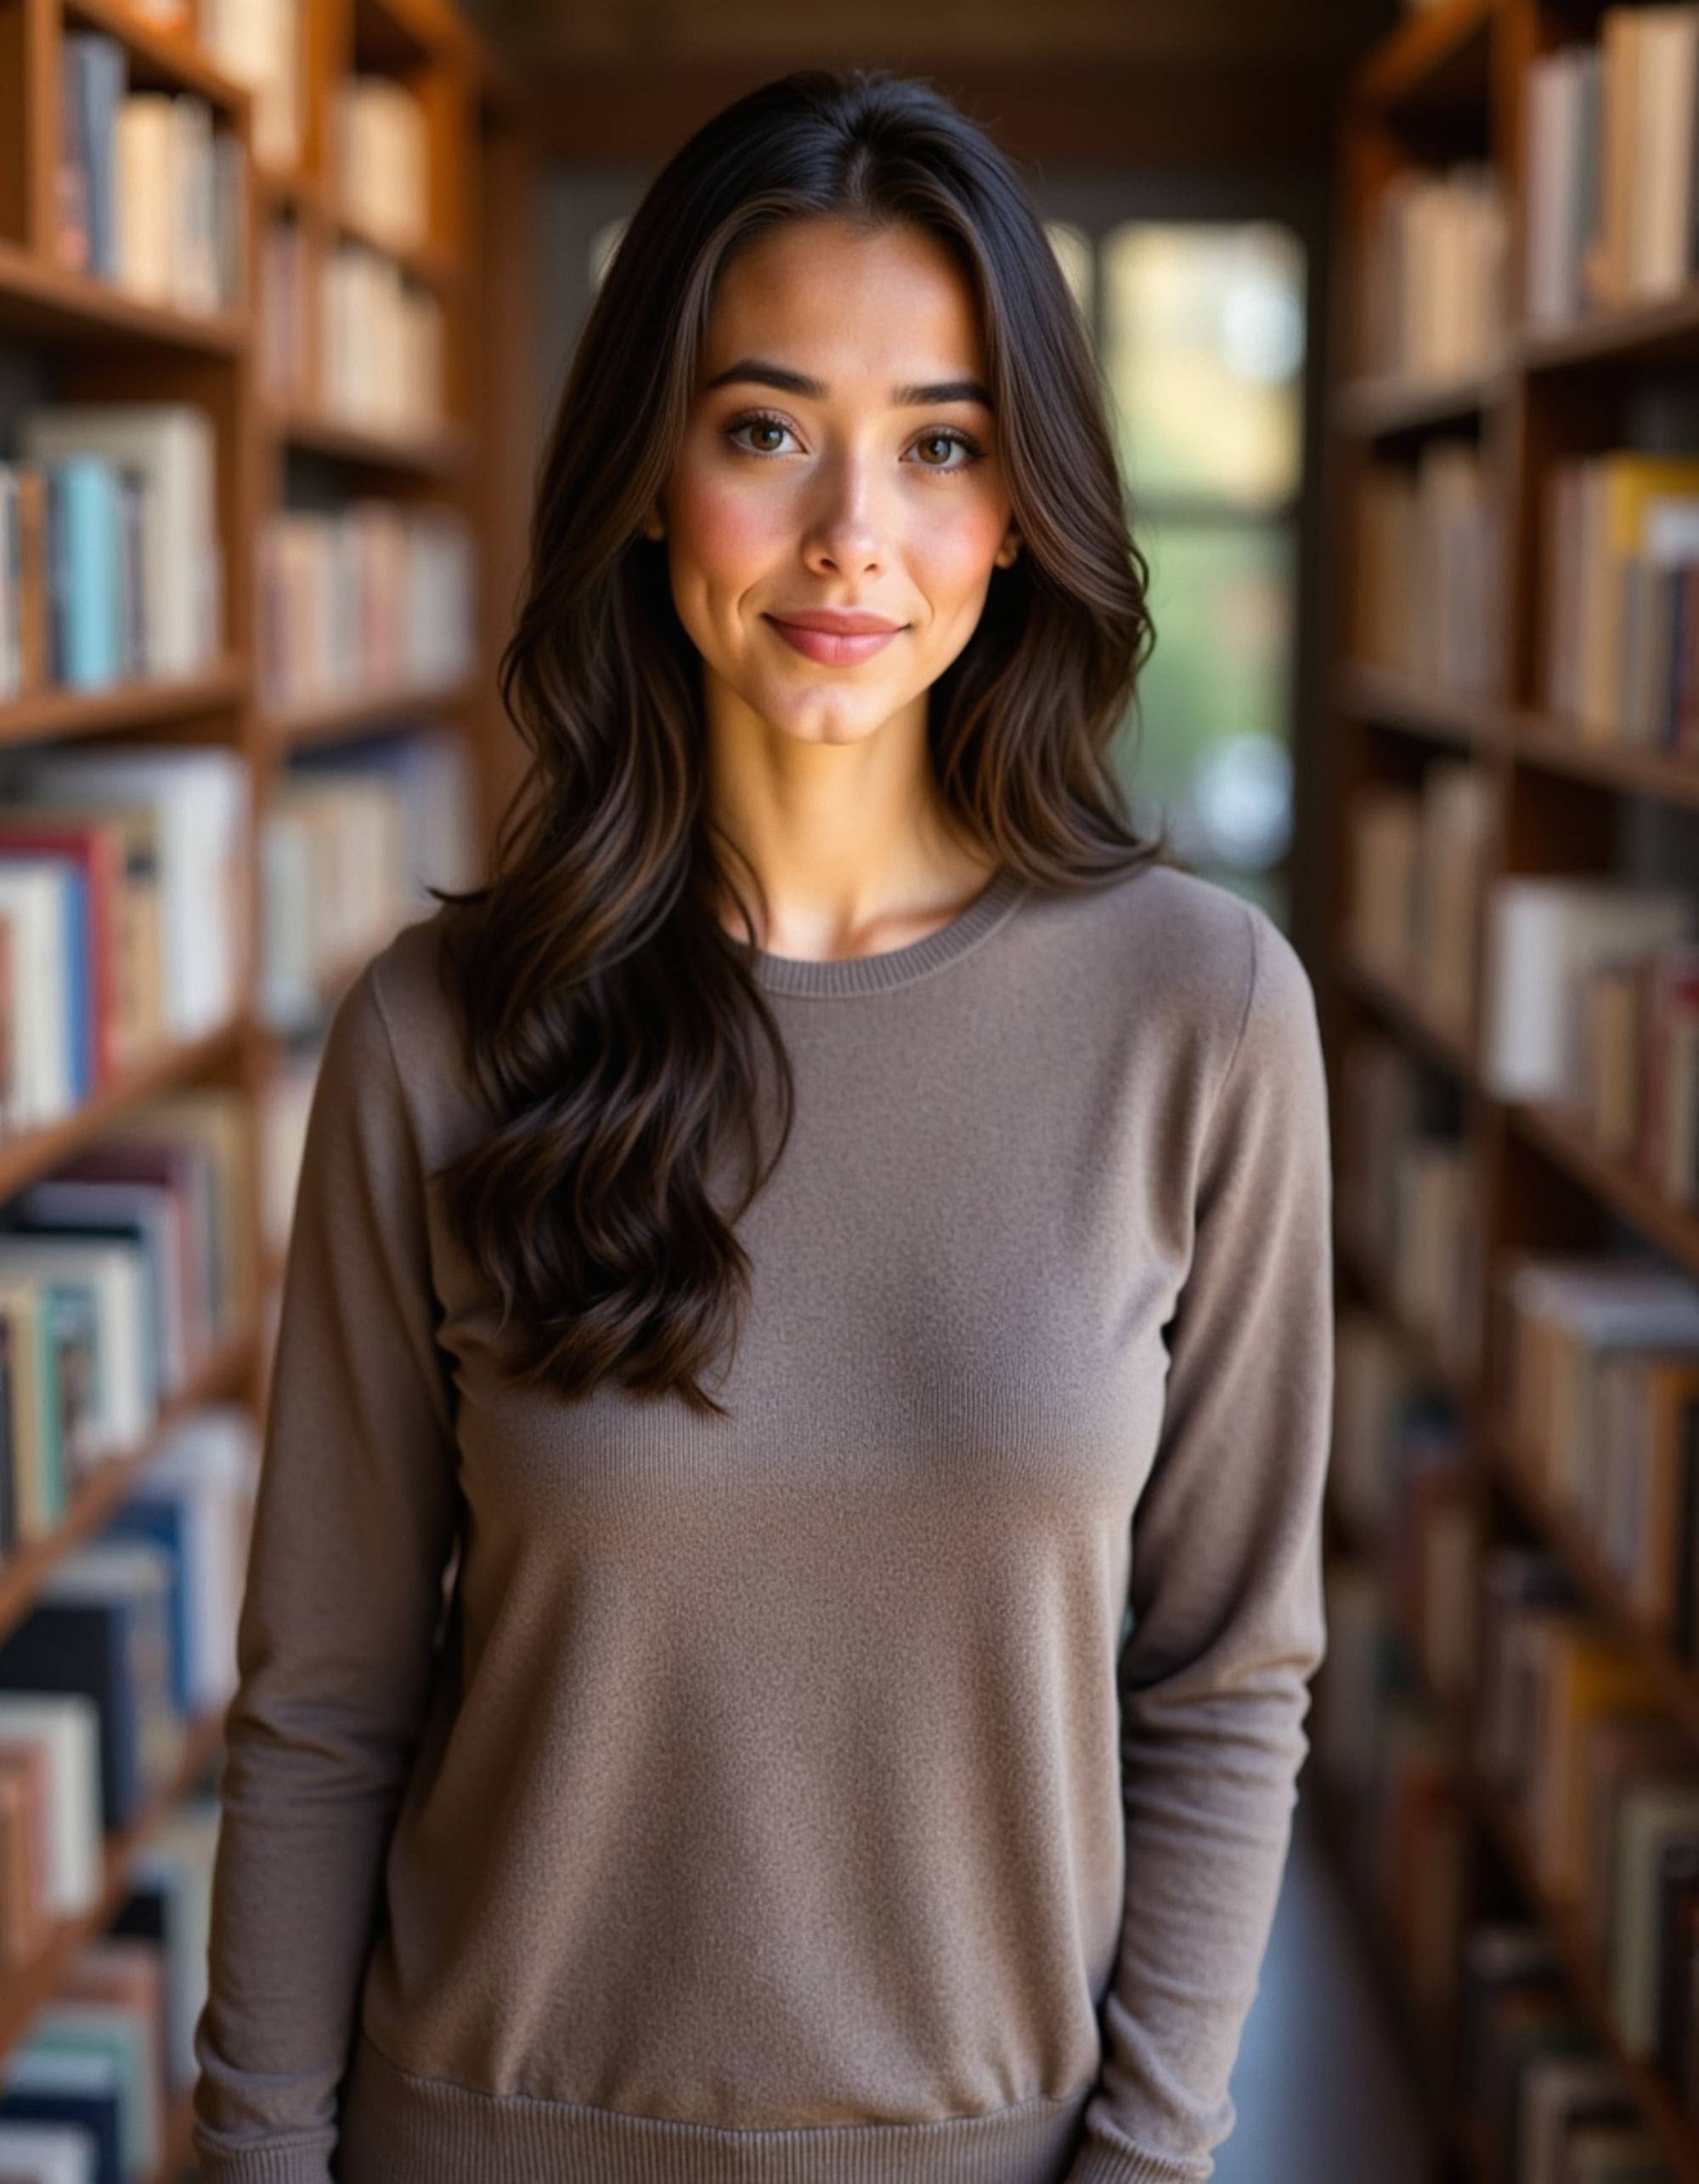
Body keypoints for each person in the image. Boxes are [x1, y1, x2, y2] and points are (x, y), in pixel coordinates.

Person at [189, 64, 1333, 2184]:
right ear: (648, 475)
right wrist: (257, 2156)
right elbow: (324, 1696)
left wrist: (1150, 2154)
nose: (850, 538)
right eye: (764, 430)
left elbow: (1223, 1679)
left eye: (939, 447)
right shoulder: (442, 1034)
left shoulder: (1203, 1014)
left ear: (1020, 507)